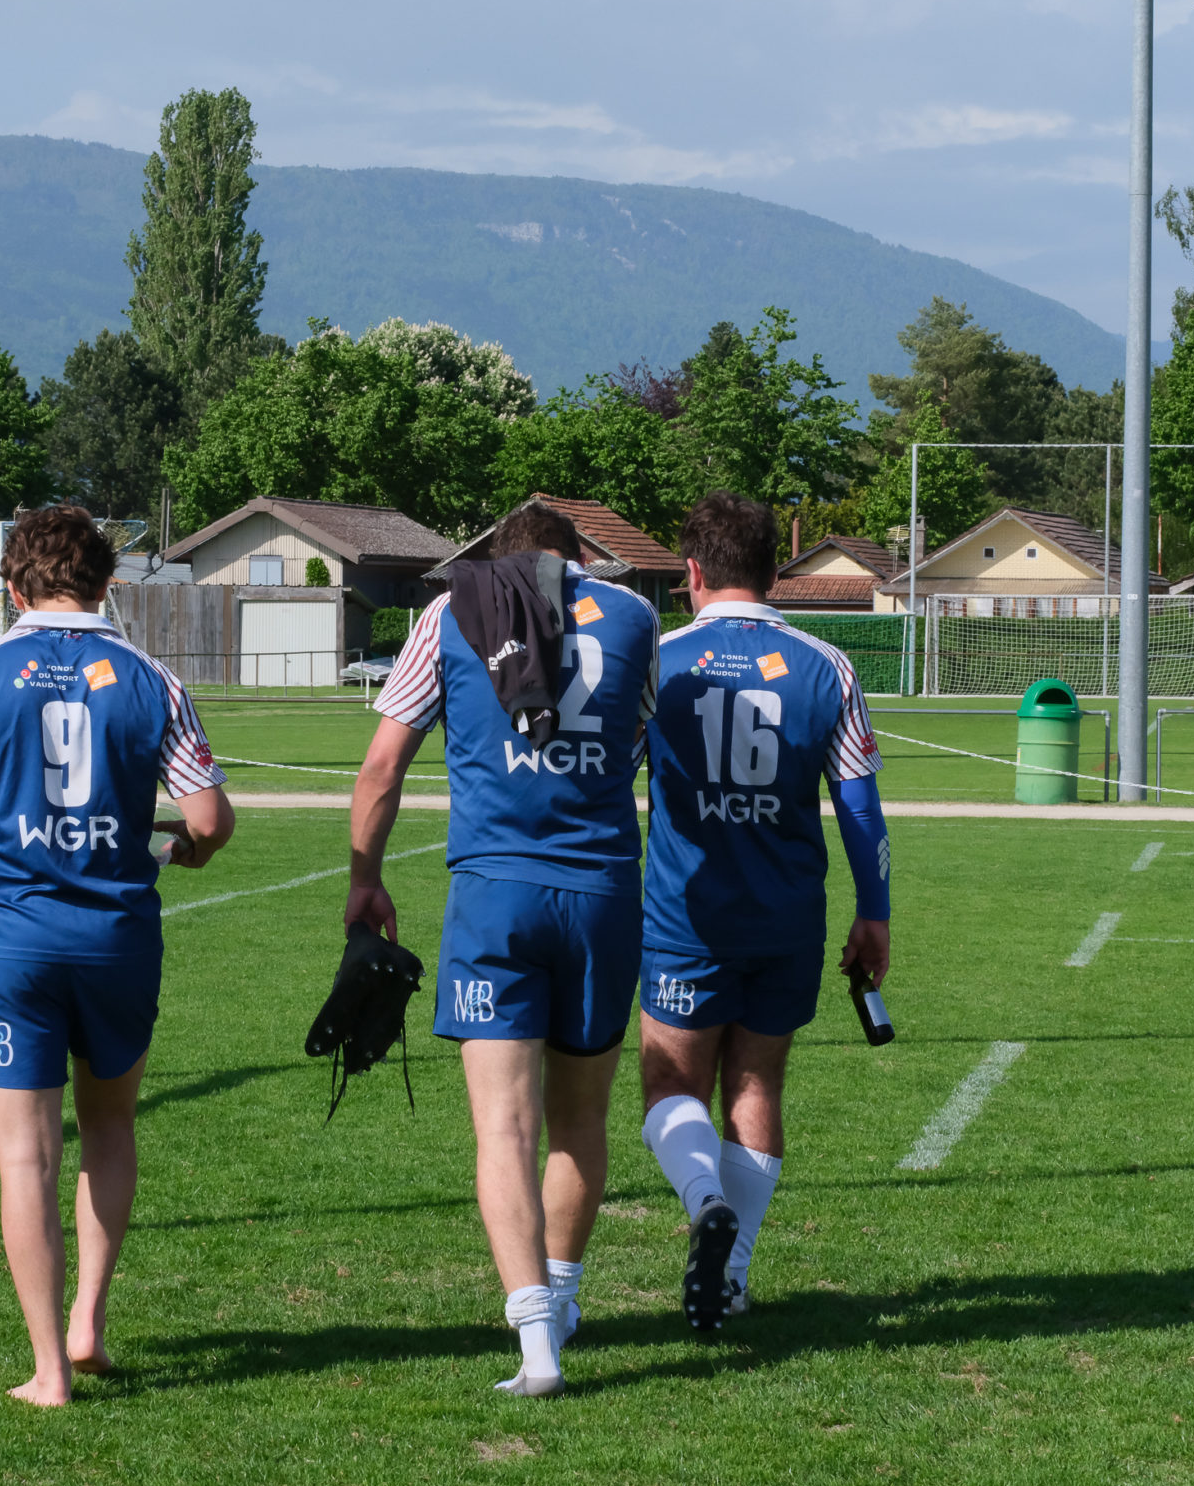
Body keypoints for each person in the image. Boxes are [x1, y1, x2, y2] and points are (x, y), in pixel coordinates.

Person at [0, 505, 234, 1406]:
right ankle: (90, 1326)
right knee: (110, 1128)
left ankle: (48, 1369)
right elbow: (208, 819)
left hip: (14, 942)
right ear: (109, 583)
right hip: (117, 939)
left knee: (23, 1158)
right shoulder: (152, 678)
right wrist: (183, 850)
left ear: (12, 586)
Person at [348, 501, 660, 1396]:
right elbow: (645, 740)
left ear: (498, 562)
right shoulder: (636, 616)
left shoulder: (452, 611)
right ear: (574, 558)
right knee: (580, 1121)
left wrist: (364, 879)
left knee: (504, 1128)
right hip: (602, 891)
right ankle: (563, 1301)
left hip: (495, 892)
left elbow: (382, 767)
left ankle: (535, 1343)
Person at [636, 491, 891, 1323]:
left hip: (686, 915)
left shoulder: (658, 661)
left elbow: (601, 780)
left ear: (693, 571)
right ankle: (732, 1276)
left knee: (670, 1083)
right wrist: (875, 913)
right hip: (788, 918)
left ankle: (704, 1201)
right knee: (756, 1084)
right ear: (775, 572)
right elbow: (859, 807)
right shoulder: (827, 666)